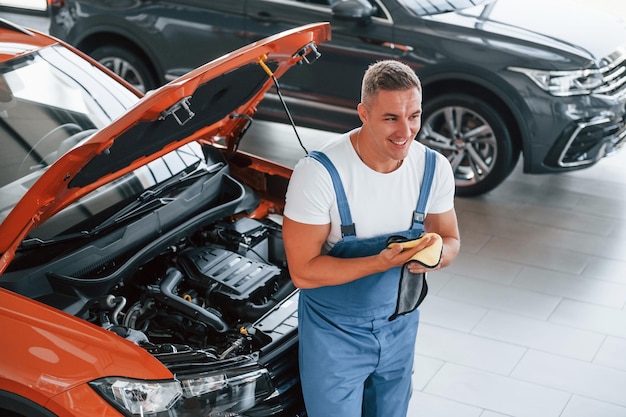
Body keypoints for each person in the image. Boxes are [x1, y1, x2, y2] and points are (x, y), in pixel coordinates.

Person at [282, 59, 460, 417]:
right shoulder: (319, 175)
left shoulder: (433, 167)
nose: (405, 131)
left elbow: (451, 238)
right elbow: (303, 272)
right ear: (363, 112)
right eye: (391, 118)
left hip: (401, 327)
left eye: (414, 116)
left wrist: (435, 253)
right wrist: (380, 262)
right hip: (335, 337)